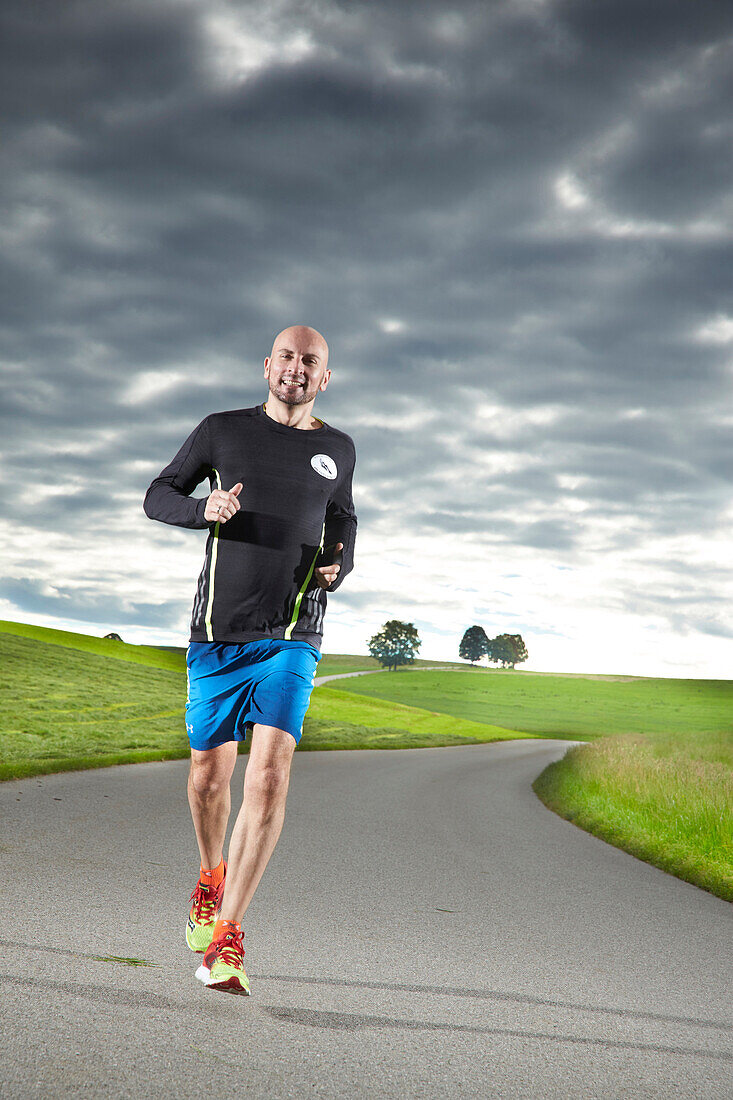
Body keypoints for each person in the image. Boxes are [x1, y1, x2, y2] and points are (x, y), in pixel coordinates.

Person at [143, 325, 357, 995]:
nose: (297, 369)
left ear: (325, 378)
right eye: (287, 357)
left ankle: (227, 940)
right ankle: (212, 874)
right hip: (217, 633)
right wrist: (202, 508)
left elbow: (344, 519)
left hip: (293, 635)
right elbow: (158, 494)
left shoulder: (337, 448)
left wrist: (337, 565)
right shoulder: (220, 430)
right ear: (268, 366)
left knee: (267, 777)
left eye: (310, 361)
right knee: (210, 777)